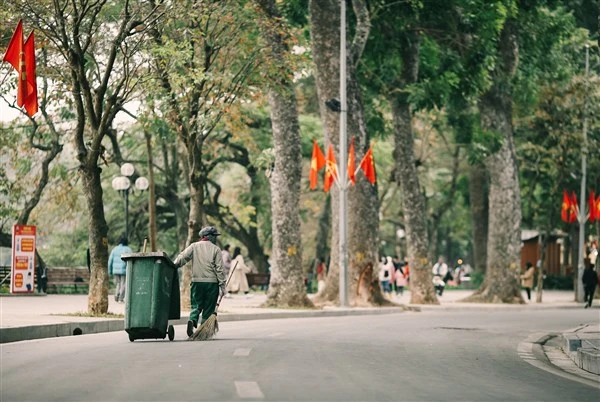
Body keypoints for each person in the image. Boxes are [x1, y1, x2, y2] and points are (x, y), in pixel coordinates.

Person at [173, 226, 226, 337]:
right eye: (214, 236)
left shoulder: (194, 246)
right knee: (208, 308)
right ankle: (204, 330)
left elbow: (183, 257)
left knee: (196, 305)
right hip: (212, 283)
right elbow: (219, 269)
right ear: (207, 236)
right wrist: (222, 285)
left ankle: (192, 320)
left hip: (197, 282)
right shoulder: (216, 249)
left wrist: (174, 265)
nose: (215, 238)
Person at [108, 236, 132, 303]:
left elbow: (110, 261)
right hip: (124, 270)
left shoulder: (115, 249)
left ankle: (116, 295)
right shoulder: (128, 249)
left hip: (115, 270)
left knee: (118, 283)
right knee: (123, 284)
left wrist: (109, 271)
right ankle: (121, 297)